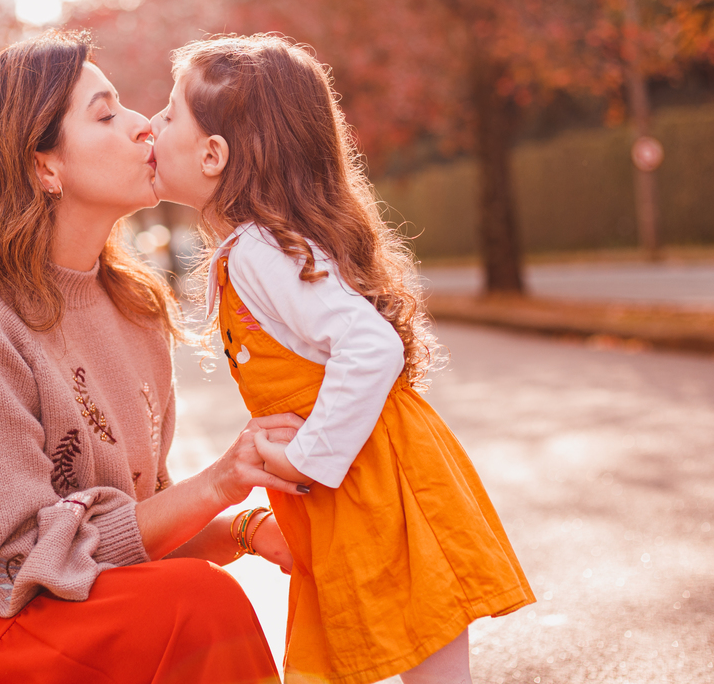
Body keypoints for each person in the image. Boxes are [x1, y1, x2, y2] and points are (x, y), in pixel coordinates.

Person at [0, 31, 307, 684]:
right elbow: (26, 562)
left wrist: (246, 529)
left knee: (198, 590)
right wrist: (223, 478)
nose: (143, 127)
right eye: (105, 115)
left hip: (51, 614)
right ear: (42, 166)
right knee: (196, 603)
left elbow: (131, 535)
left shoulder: (133, 306)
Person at [148, 34, 535, 684]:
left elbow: (370, 344)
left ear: (213, 154)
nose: (151, 126)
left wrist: (307, 457)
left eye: (168, 113)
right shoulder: (259, 249)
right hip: (363, 485)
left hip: (374, 486)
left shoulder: (257, 251)